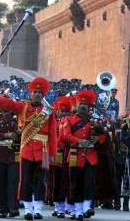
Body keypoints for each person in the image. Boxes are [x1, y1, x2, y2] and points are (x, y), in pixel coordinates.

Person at [0, 77, 58, 220]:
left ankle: (38, 209)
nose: (37, 94)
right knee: (26, 180)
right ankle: (28, 209)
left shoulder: (49, 112)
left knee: (40, 180)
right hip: (26, 150)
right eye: (35, 92)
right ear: (30, 94)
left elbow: (52, 133)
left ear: (43, 95)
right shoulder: (22, 107)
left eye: (40, 92)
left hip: (44, 151)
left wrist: (53, 153)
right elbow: (6, 103)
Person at [60, 90, 107, 220]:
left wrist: (97, 139)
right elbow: (65, 136)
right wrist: (79, 141)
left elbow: (104, 136)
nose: (83, 106)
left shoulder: (95, 121)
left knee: (89, 182)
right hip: (75, 155)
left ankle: (87, 207)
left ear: (89, 107)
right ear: (76, 106)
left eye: (85, 105)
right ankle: (78, 210)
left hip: (91, 156)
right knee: (75, 183)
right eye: (81, 104)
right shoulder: (68, 119)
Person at [0, 98, 20, 218]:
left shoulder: (17, 118)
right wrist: (6, 135)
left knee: (13, 181)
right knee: (1, 182)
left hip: (14, 155)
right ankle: (2, 209)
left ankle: (13, 208)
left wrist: (17, 133)